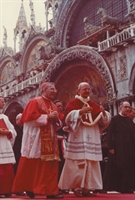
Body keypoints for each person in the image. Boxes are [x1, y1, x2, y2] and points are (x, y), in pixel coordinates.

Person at [58, 82, 111, 197]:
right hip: (79, 135)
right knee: (77, 162)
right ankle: (76, 187)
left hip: (92, 136)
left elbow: (104, 121)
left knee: (91, 161)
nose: (87, 91)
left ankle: (87, 188)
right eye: (84, 89)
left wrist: (103, 112)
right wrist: (79, 112)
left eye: (88, 89)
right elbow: (67, 119)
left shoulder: (93, 104)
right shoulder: (73, 103)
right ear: (78, 91)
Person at [12, 82, 63, 199]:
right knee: (34, 163)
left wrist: (56, 119)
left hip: (51, 138)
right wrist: (47, 117)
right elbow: (28, 119)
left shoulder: (53, 105)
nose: (54, 91)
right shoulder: (35, 101)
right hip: (37, 138)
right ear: (44, 90)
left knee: (50, 165)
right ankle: (30, 188)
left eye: (55, 89)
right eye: (52, 89)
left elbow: (59, 122)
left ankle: (51, 191)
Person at [103, 101, 135, 193]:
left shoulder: (130, 121)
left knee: (129, 167)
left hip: (129, 148)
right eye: (125, 107)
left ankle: (128, 187)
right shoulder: (115, 119)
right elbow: (109, 134)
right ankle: (119, 187)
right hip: (118, 148)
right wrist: (110, 147)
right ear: (120, 108)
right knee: (120, 166)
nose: (128, 109)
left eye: (129, 107)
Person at [0, 96, 17, 197]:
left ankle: (7, 190)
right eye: (1, 101)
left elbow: (13, 130)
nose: (3, 103)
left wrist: (8, 132)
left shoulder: (5, 117)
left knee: (7, 170)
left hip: (5, 145)